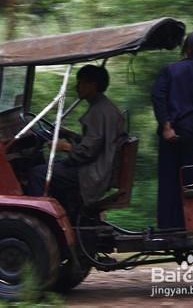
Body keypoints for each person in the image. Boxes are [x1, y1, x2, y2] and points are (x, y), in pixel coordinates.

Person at [28, 65, 126, 209]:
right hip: (101, 167)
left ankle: (40, 217)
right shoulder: (104, 107)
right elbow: (96, 142)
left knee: (37, 173)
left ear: (93, 85)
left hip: (93, 173)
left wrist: (65, 147)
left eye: (81, 82)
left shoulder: (98, 112)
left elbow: (88, 152)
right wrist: (69, 134)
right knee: (57, 165)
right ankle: (67, 213)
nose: (77, 87)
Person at [152, 30, 193, 229]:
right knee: (190, 179)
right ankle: (190, 225)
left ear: (187, 48)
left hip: (174, 130)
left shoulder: (170, 69)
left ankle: (170, 226)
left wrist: (166, 127)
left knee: (169, 177)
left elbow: (159, 97)